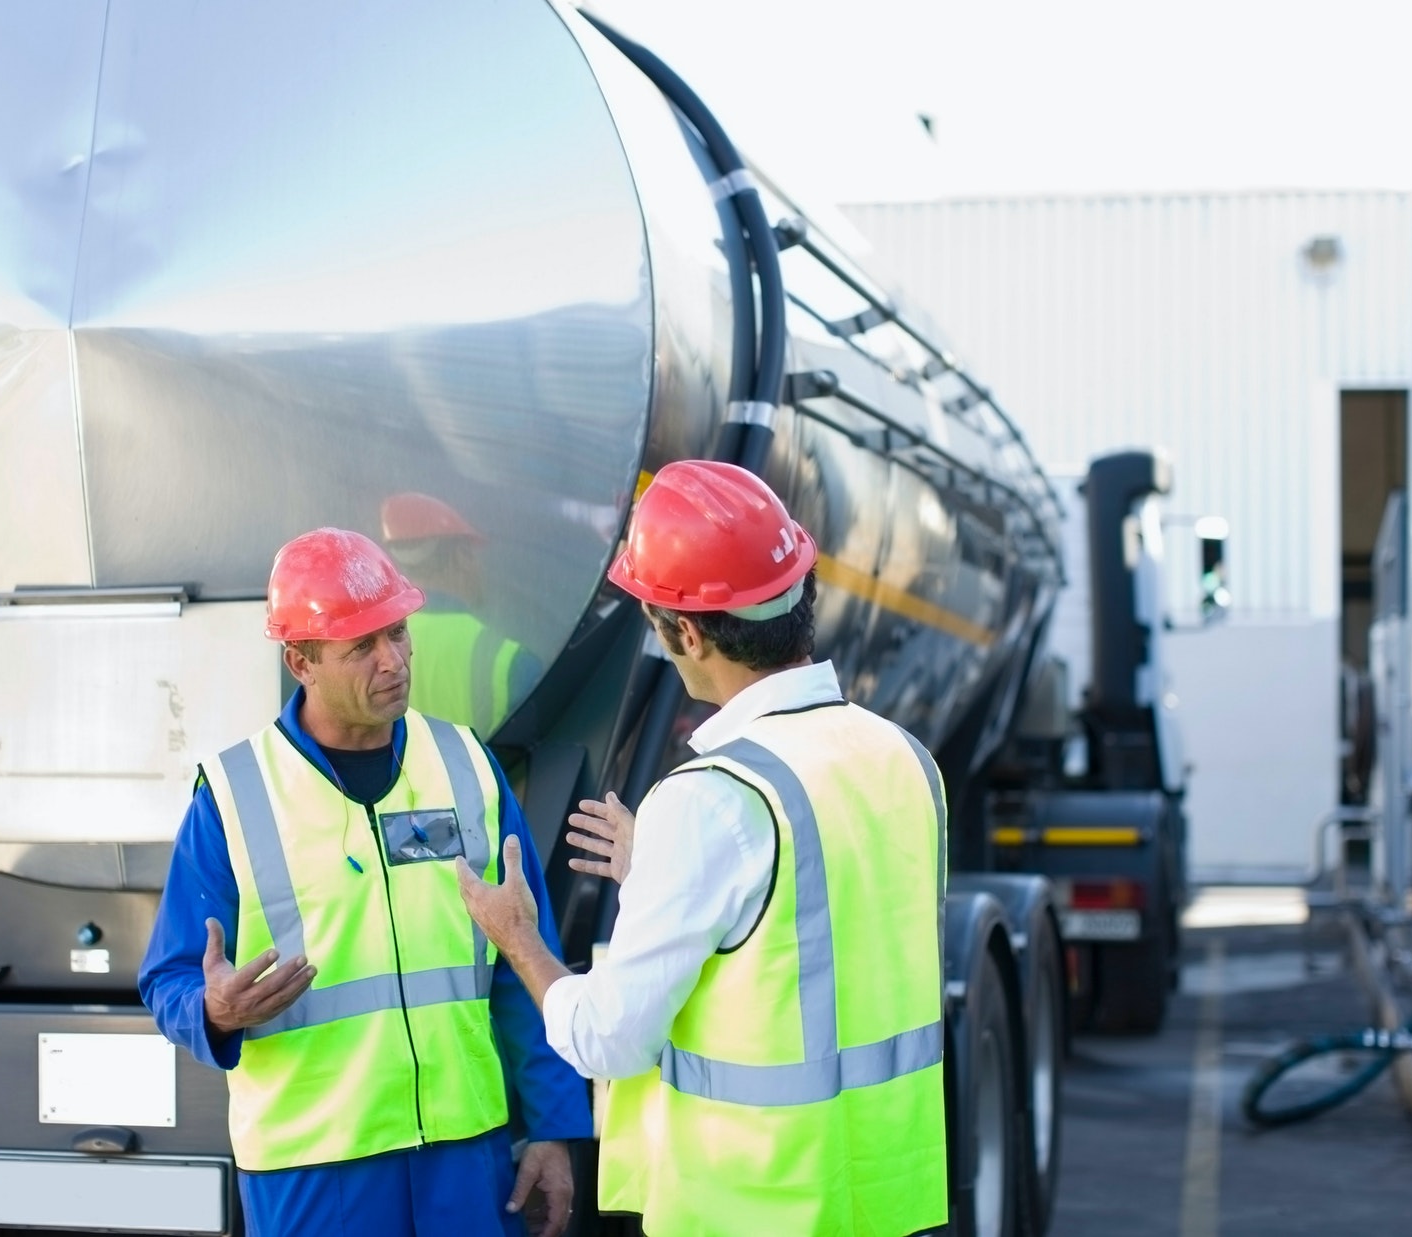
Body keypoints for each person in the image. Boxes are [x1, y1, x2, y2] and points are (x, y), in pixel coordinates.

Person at [457, 460, 950, 1236]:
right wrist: (662, 870)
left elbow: (606, 1036)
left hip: (756, 1210)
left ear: (686, 631)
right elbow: (820, 924)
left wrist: (518, 938)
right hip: (887, 1201)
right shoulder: (902, 757)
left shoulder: (712, 801)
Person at [140, 528, 589, 1237]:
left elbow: (521, 963)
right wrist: (215, 1010)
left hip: (464, 1153)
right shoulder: (232, 795)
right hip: (314, 1169)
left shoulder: (466, 765)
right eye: (362, 647)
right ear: (301, 661)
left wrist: (554, 1126)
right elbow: (167, 979)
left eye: (399, 634)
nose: (395, 661)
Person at [379, 492, 540, 733]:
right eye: (474, 555)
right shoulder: (509, 662)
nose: (480, 568)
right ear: (462, 556)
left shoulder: (368, 649)